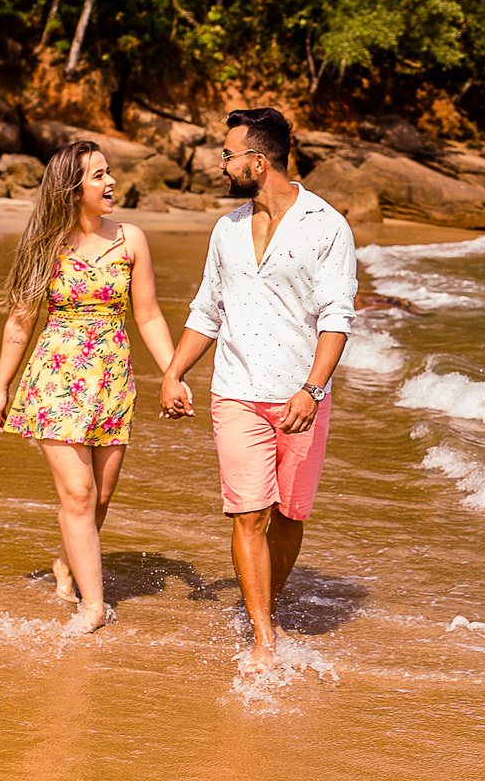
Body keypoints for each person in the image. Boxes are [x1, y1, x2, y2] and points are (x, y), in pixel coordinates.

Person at [159, 108, 357, 673]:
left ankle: (264, 603)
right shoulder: (226, 229)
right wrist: (175, 373)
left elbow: (336, 318)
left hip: (300, 398)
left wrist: (313, 390)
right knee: (249, 514)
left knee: (290, 517)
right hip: (237, 392)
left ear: (258, 160)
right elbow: (207, 310)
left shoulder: (326, 226)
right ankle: (263, 633)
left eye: (228, 155)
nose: (221, 165)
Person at [0, 141, 183, 634]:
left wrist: (173, 373)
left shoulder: (131, 239)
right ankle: (93, 607)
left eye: (108, 172)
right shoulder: (44, 245)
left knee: (99, 498)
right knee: (78, 492)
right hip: (55, 378)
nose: (110, 182)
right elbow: (20, 320)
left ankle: (66, 560)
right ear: (73, 189)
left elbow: (149, 315)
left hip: (113, 380)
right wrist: (1, 386)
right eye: (98, 176)